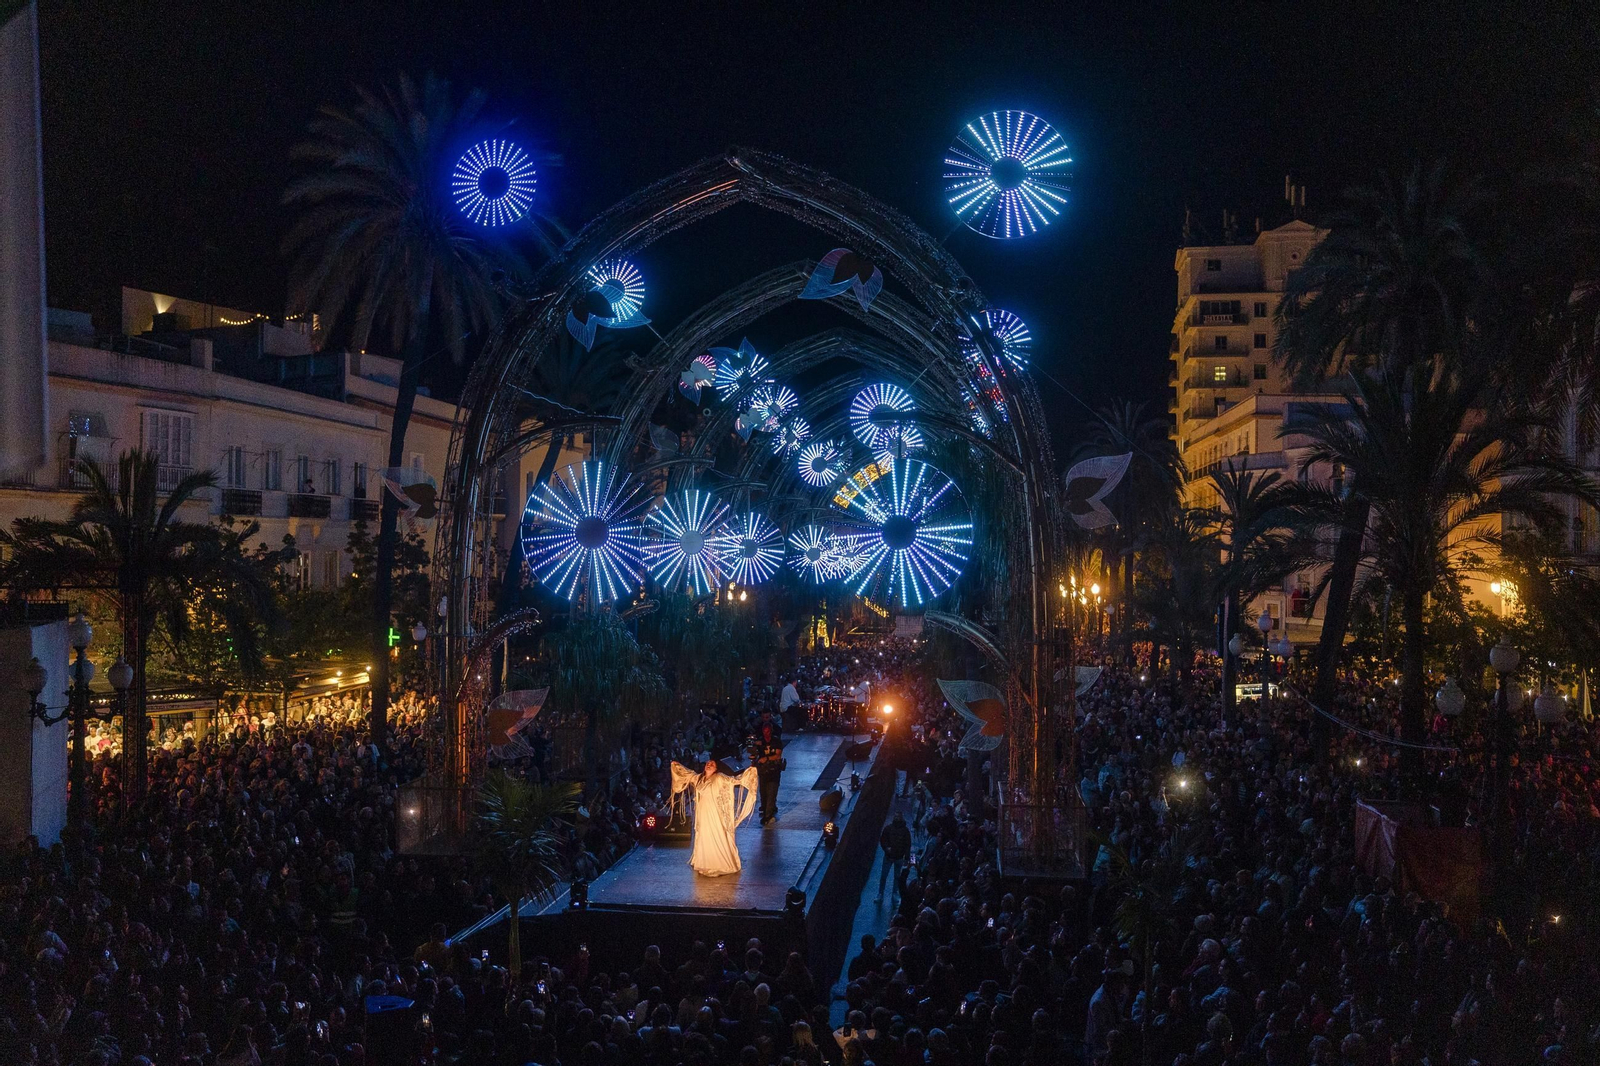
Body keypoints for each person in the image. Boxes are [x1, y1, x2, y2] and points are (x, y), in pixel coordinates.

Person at [670, 759, 760, 876]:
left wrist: (750, 772)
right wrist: (677, 765)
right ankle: (705, 862)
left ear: (716, 768)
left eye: (712, 764)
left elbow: (734, 780)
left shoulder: (719, 778)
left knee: (717, 834)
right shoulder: (698, 779)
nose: (709, 764)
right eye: (707, 763)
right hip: (703, 813)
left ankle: (720, 863)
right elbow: (687, 774)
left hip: (715, 813)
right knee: (704, 835)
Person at [752, 709, 785, 825]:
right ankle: (766, 809)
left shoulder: (776, 739)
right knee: (764, 792)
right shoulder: (759, 739)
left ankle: (768, 814)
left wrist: (767, 758)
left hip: (773, 770)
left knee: (771, 792)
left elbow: (778, 755)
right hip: (763, 770)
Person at [875, 811, 912, 903]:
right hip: (896, 857)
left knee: (888, 876)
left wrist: (886, 848)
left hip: (890, 857)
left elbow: (883, 840)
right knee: (893, 876)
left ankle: (882, 894)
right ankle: (892, 894)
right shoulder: (904, 831)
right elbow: (907, 845)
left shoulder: (889, 829)